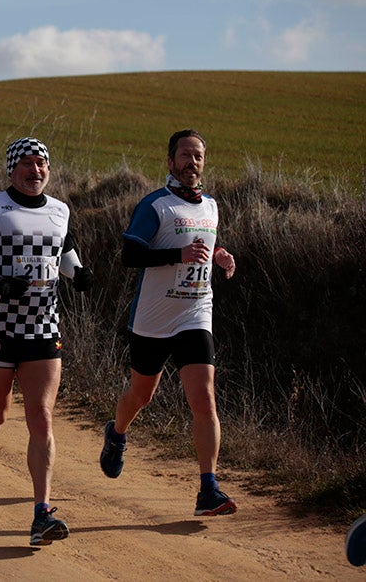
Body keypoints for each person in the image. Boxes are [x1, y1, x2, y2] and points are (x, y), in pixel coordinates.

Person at [0, 136, 94, 546]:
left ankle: (41, 514)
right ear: (12, 169)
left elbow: (65, 251)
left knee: (42, 417)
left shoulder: (60, 210)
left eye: (42, 164)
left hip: (44, 330)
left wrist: (77, 273)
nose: (35, 171)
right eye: (26, 164)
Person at [98, 128, 238, 517]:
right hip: (154, 319)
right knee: (140, 396)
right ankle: (117, 432)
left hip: (195, 312)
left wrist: (220, 256)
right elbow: (129, 256)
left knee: (204, 397)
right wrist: (177, 254)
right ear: (170, 161)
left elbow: (203, 246)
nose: (192, 163)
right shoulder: (155, 206)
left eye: (198, 156)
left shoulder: (210, 205)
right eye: (185, 156)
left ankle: (207, 488)